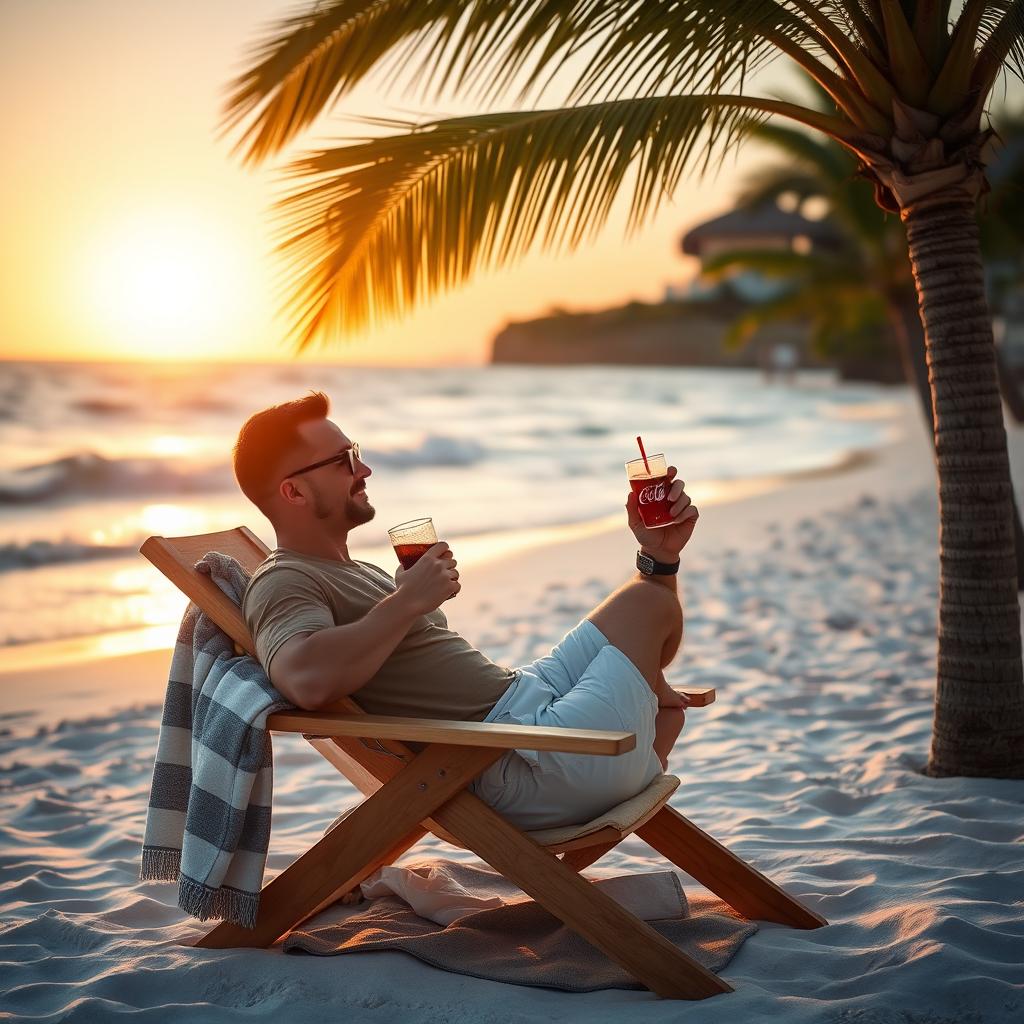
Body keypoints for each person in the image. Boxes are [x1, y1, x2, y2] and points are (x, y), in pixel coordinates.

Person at [233, 392, 700, 831]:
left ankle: (658, 554)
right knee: (646, 606)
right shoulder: (283, 581)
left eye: (355, 451)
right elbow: (305, 678)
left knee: (645, 596)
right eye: (345, 461)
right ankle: (631, 762)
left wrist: (660, 556)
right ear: (293, 492)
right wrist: (409, 600)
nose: (366, 468)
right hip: (519, 759)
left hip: (524, 712)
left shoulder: (355, 571)